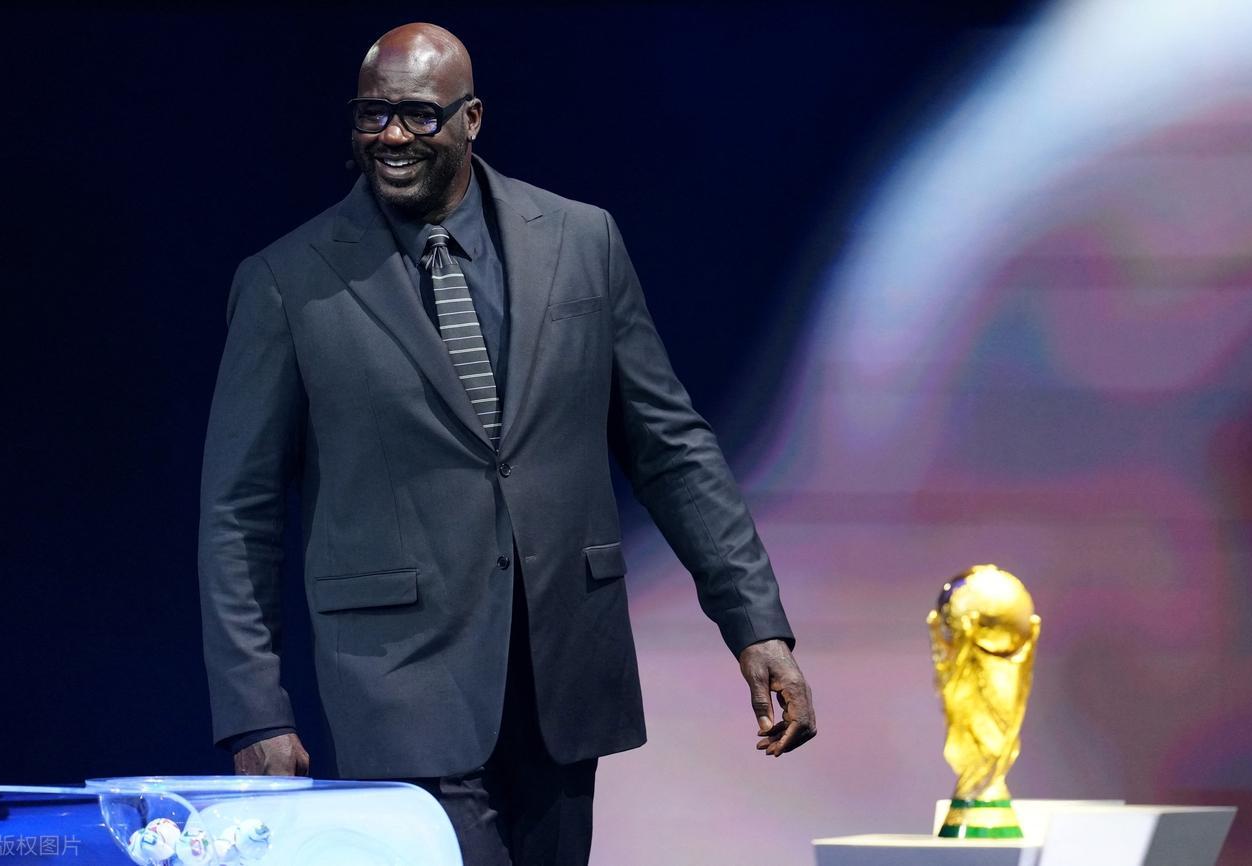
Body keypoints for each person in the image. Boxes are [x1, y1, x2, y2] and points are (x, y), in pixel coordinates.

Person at [197, 21, 816, 865]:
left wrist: (755, 625)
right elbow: (240, 513)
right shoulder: (287, 281)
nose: (390, 136)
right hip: (400, 680)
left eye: (418, 115)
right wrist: (253, 712)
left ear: (472, 117)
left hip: (564, 671)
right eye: (372, 114)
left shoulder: (581, 240)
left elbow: (671, 447)